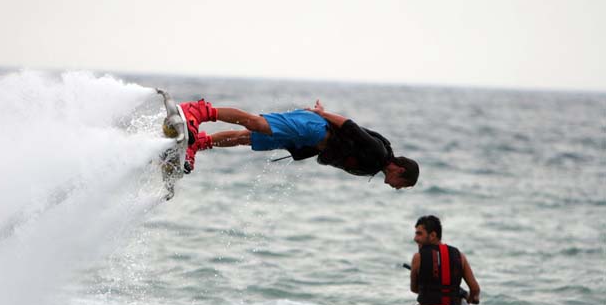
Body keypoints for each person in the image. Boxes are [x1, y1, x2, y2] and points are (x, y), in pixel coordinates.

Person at [163, 98, 419, 189]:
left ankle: (197, 144)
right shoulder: (378, 153)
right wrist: (322, 114)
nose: (397, 187)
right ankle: (199, 111)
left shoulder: (375, 166)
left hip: (307, 141)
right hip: (315, 128)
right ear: (400, 170)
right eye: (402, 184)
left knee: (245, 138)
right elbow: (350, 126)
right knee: (256, 123)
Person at [393, 215, 487, 305]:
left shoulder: (417, 258)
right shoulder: (459, 256)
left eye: (419, 234)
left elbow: (414, 289)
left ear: (432, 235)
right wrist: (470, 298)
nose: (415, 238)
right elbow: (475, 289)